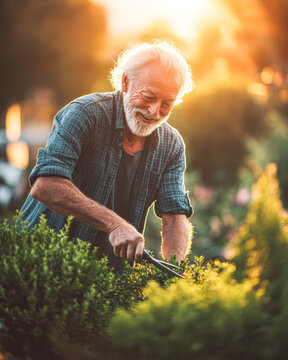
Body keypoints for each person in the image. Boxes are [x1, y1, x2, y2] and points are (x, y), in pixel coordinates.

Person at [20, 41, 194, 271]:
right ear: (125, 82)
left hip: (107, 275)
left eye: (167, 104)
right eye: (149, 96)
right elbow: (46, 185)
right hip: (40, 264)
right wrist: (115, 225)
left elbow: (174, 214)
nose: (155, 112)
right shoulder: (84, 114)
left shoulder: (172, 145)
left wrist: (174, 271)